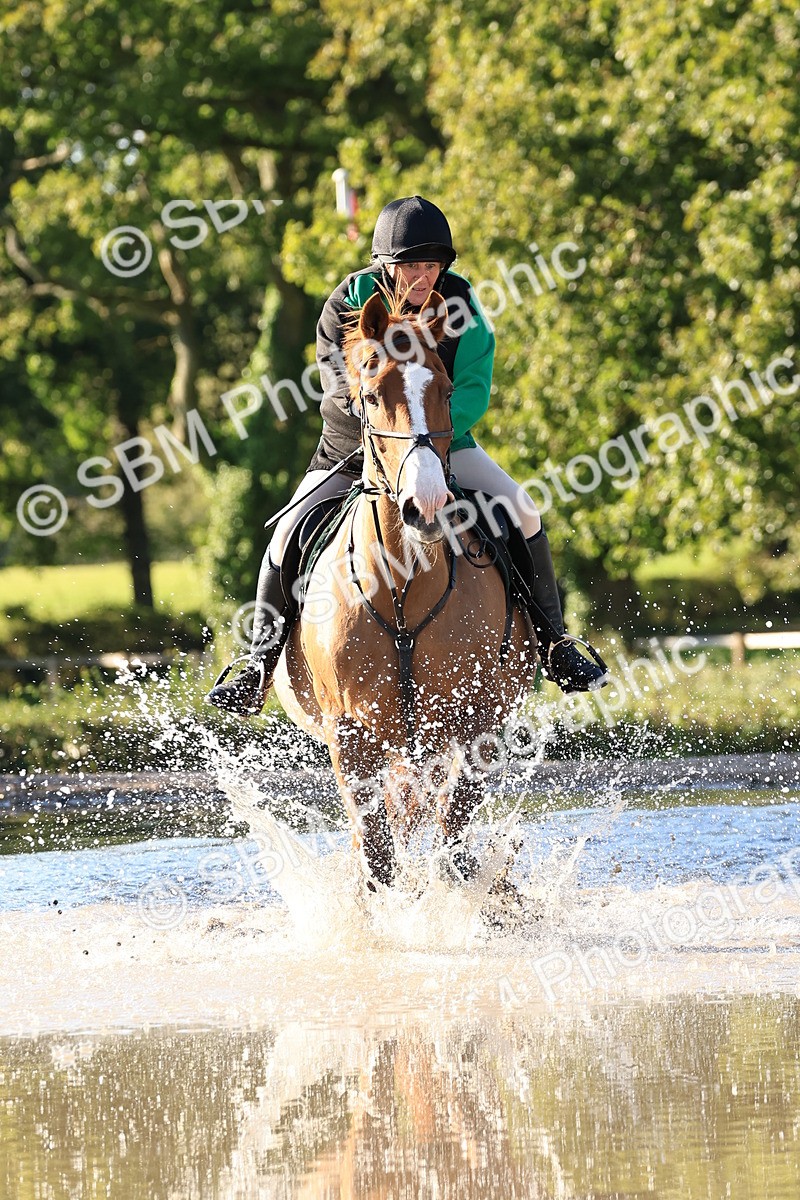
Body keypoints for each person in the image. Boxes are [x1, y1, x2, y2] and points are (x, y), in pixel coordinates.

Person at [207, 196, 608, 715]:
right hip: (350, 446)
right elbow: (336, 381)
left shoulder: (465, 312)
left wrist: (425, 437)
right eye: (410, 265)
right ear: (386, 265)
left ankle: (555, 644)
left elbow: (472, 391)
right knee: (286, 533)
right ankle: (258, 663)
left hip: (444, 442)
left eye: (431, 265)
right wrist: (387, 426)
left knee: (524, 508)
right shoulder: (346, 303)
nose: (422, 276)